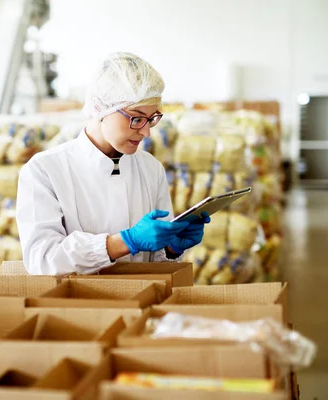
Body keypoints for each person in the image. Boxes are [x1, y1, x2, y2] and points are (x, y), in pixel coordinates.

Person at [16, 52, 209, 275]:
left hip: (143, 303)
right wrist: (124, 242)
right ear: (100, 108)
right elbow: (42, 259)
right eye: (136, 118)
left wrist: (171, 247)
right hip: (77, 306)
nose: (146, 132)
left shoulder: (150, 168)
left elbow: (157, 264)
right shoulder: (44, 170)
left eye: (152, 118)